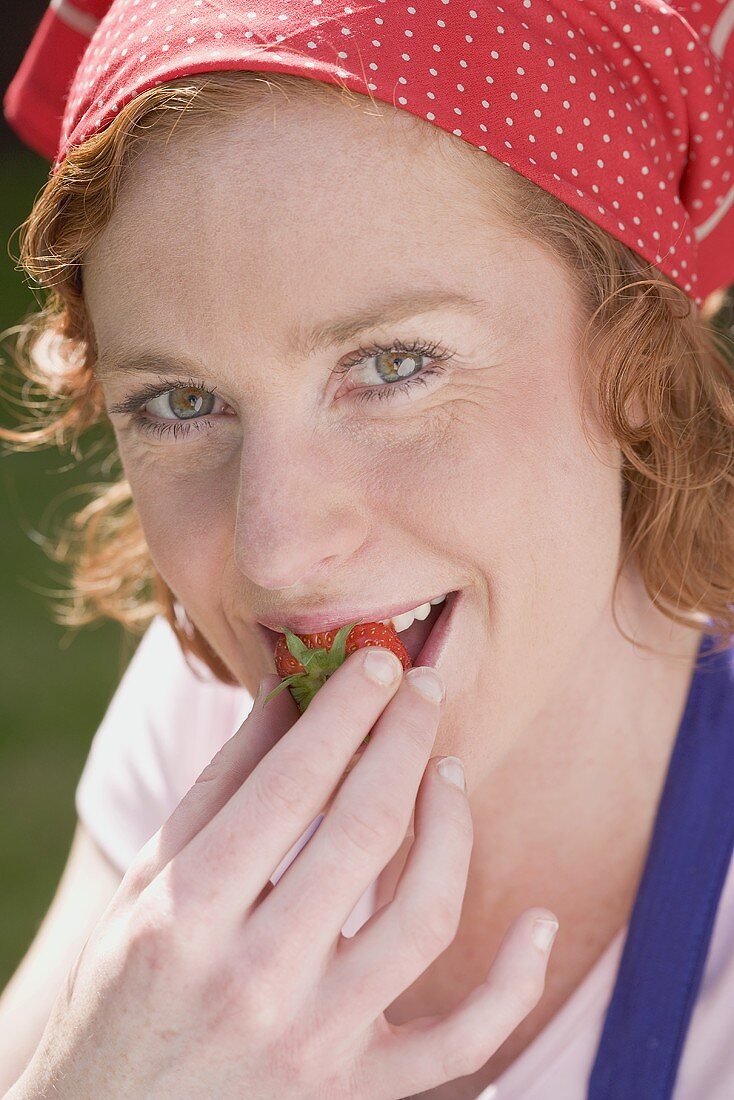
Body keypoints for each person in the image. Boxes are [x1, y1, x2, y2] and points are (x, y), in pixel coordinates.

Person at [0, 1, 733, 1097]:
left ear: (634, 363)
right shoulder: (207, 714)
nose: (278, 555)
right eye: (181, 399)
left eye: (391, 365)